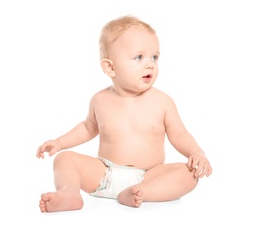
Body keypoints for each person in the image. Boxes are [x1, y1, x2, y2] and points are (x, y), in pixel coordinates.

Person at [36, 15, 212, 213]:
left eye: (154, 57)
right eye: (139, 57)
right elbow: (87, 128)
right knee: (65, 159)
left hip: (150, 175)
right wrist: (60, 143)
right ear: (110, 67)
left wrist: (196, 153)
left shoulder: (163, 102)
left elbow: (180, 134)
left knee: (188, 174)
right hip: (104, 173)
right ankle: (69, 193)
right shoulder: (100, 100)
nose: (150, 64)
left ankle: (141, 192)